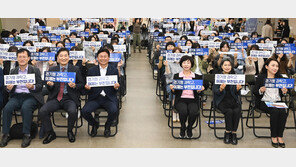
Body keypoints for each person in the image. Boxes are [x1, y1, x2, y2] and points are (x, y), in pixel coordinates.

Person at [38, 48, 84, 144]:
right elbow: (49, 87)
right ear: (58, 58)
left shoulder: (75, 69)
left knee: (72, 111)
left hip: (69, 98)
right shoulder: (52, 69)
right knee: (42, 111)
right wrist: (50, 85)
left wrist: (75, 85)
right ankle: (51, 133)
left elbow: (81, 84)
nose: (63, 58)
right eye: (61, 56)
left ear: (69, 57)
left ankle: (70, 131)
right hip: (55, 98)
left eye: (65, 56)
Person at [0, 48, 44, 148]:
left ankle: (26, 134)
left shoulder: (35, 70)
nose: (22, 59)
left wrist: (33, 87)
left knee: (26, 108)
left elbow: (40, 85)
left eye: (24, 57)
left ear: (28, 58)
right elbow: (8, 88)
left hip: (30, 96)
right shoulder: (13, 71)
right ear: (17, 59)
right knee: (7, 108)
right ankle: (6, 134)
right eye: (20, 57)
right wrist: (8, 88)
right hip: (16, 96)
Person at [81, 49, 120, 137]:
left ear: (108, 58)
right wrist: (87, 88)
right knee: (84, 111)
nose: (103, 58)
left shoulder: (113, 70)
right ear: (97, 58)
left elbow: (117, 88)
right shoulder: (91, 70)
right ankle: (94, 124)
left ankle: (107, 126)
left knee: (114, 110)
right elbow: (87, 88)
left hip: (108, 97)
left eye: (105, 56)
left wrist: (116, 87)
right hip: (95, 98)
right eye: (101, 57)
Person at [253, 58, 288, 148]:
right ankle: (273, 136)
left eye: (277, 66)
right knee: (275, 111)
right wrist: (260, 90)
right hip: (264, 101)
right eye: (273, 65)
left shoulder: (280, 78)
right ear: (267, 67)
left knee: (283, 112)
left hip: (277, 101)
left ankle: (280, 136)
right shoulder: (261, 77)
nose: (275, 68)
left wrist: (284, 91)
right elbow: (255, 92)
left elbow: (284, 94)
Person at [170, 55, 205, 138]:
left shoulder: (197, 77)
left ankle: (189, 127)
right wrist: (173, 89)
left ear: (191, 64)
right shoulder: (177, 76)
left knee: (193, 112)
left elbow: (200, 94)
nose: (186, 65)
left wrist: (200, 90)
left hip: (193, 100)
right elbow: (175, 93)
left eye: (188, 63)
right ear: (181, 64)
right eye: (184, 63)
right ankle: (182, 127)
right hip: (181, 100)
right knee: (183, 111)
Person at [213, 59, 242, 145]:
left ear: (231, 67)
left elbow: (238, 93)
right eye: (225, 65)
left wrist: (237, 89)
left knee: (237, 110)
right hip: (221, 100)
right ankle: (227, 132)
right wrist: (221, 89)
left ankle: (234, 133)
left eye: (229, 65)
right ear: (221, 66)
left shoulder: (235, 76)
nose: (227, 67)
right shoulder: (218, 77)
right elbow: (215, 91)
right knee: (229, 111)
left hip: (233, 99)